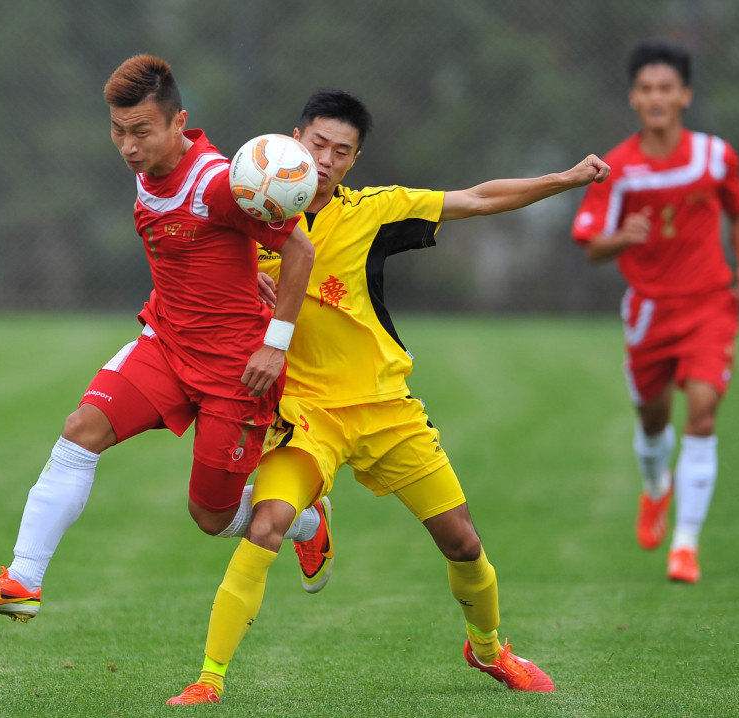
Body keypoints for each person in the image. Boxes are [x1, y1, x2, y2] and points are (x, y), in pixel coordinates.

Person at [167, 89, 610, 705]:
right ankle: (208, 681)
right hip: (302, 416)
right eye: (316, 143)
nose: (323, 159)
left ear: (353, 162)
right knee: (266, 525)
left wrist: (564, 179)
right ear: (294, 139)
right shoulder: (247, 212)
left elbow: (477, 199)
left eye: (340, 151)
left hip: (383, 408)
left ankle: (489, 651)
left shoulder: (375, 211)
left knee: (464, 543)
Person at [0, 54, 324, 621]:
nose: (127, 146)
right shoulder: (150, 172)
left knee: (212, 517)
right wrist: (248, 276)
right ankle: (22, 580)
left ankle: (307, 521)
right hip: (167, 346)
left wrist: (275, 342)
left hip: (235, 370)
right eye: (118, 132)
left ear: (179, 123)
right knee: (81, 431)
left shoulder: (218, 184)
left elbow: (300, 249)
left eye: (140, 132)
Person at [571, 39, 739, 583]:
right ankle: (656, 489)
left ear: (685, 95)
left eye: (666, 88)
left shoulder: (714, 156)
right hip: (649, 312)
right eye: (646, 88)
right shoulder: (619, 168)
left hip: (709, 304)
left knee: (702, 411)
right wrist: (621, 237)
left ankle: (686, 544)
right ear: (634, 97)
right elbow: (590, 246)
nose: (656, 97)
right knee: (653, 420)